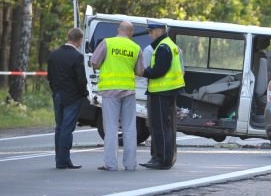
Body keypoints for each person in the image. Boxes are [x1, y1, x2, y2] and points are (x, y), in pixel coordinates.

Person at [90, 21, 143, 171]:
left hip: (110, 90)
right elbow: (140, 71)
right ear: (131, 33)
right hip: (128, 91)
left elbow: (94, 63)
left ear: (118, 30)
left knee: (111, 128)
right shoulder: (135, 47)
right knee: (129, 128)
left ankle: (111, 164)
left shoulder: (107, 43)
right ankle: (130, 164)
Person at [139, 20, 185, 170]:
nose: (149, 34)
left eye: (151, 31)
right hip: (167, 91)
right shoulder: (168, 45)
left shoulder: (163, 47)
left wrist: (143, 72)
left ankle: (162, 160)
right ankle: (165, 157)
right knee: (166, 127)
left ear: (159, 31)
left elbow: (159, 71)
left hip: (161, 92)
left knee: (160, 127)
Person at [47, 27, 88, 169]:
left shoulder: (54, 55)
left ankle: (59, 159)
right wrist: (84, 93)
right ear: (80, 40)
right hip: (73, 96)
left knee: (59, 127)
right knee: (67, 128)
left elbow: (50, 77)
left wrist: (55, 90)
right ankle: (64, 160)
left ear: (68, 37)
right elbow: (81, 79)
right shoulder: (77, 57)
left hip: (58, 94)